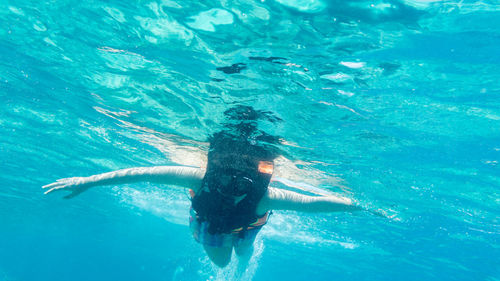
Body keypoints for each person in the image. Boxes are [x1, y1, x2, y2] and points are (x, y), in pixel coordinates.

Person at [43, 106, 359, 268]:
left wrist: (355, 204)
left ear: (253, 183)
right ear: (214, 173)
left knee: (245, 249)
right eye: (225, 179)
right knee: (222, 261)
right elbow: (142, 173)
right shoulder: (198, 178)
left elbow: (312, 204)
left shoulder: (264, 197)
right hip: (213, 225)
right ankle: (235, 246)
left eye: (241, 184)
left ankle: (247, 251)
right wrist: (87, 182)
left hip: (249, 224)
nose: (232, 188)